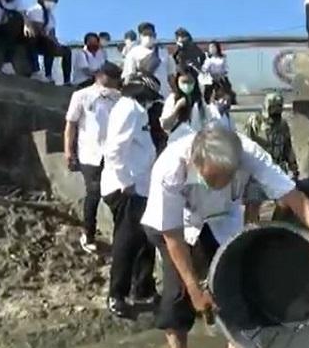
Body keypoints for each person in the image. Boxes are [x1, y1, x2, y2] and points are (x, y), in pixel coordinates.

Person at [139, 124, 309, 348]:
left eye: (226, 178)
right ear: (195, 162)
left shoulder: (249, 154)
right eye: (212, 180)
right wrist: (194, 288)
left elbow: (292, 195)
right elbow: (173, 236)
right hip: (175, 225)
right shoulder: (170, 169)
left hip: (222, 218)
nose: (219, 185)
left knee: (234, 275)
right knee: (178, 292)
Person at [100, 72, 162, 318]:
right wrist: (126, 182)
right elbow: (115, 149)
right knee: (126, 244)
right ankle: (117, 295)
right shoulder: (128, 109)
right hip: (127, 189)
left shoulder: (137, 110)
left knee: (144, 241)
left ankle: (144, 288)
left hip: (141, 188)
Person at [64, 62, 123, 254]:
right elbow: (71, 124)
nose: (114, 81)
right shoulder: (82, 95)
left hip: (112, 154)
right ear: (100, 76)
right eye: (111, 77)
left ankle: (120, 236)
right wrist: (68, 150)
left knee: (116, 195)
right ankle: (88, 233)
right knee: (93, 192)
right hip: (90, 153)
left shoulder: (119, 99)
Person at [243, 93, 299, 224]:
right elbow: (246, 143)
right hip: (256, 169)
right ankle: (250, 231)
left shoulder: (283, 125)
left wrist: (293, 167)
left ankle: (273, 226)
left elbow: (287, 146)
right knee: (253, 204)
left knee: (284, 203)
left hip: (277, 167)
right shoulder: (254, 121)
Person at [25, 0, 72, 84]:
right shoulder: (36, 9)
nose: (52, 2)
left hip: (45, 40)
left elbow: (52, 32)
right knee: (48, 43)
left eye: (54, 1)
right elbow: (37, 29)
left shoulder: (51, 16)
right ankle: (35, 70)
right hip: (32, 38)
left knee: (66, 51)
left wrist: (57, 44)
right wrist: (50, 39)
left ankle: (63, 80)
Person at [160, 65, 215, 144]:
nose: (187, 86)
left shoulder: (199, 102)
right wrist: (177, 107)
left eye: (190, 82)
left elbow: (208, 123)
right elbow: (165, 125)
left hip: (195, 145)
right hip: (177, 143)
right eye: (184, 82)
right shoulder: (172, 99)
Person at [122, 22, 177, 99]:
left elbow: (171, 77)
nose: (148, 37)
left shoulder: (164, 52)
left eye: (151, 34)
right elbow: (128, 77)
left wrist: (176, 93)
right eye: (145, 34)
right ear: (140, 36)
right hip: (143, 95)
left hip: (163, 95)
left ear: (155, 35)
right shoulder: (133, 53)